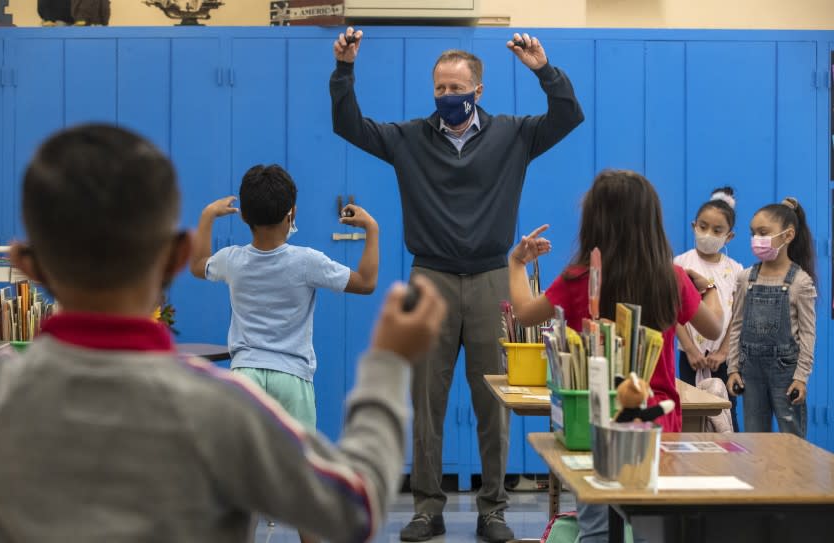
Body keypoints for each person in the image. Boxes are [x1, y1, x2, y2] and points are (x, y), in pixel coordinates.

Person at [0, 123, 448, 543]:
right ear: (172, 259)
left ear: (26, 265)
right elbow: (352, 508)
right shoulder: (219, 409)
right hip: (291, 377)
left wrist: (209, 217)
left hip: (248, 366)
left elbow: (203, 262)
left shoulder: (3, 389)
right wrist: (388, 363)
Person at [330, 28, 584, 543]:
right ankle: (428, 507)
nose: (447, 97)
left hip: (494, 276)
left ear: (479, 90)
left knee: (494, 399)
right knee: (426, 398)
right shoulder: (407, 139)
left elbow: (567, 115)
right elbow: (348, 125)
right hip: (431, 276)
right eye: (439, 89)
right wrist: (345, 69)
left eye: (456, 88)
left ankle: (493, 509)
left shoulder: (514, 133)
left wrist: (543, 68)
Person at [508, 169, 724, 542]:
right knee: (652, 526)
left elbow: (524, 313)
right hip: (657, 424)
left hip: (594, 421)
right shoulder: (669, 278)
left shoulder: (577, 278)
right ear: (651, 222)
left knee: (595, 527)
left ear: (594, 221)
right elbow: (714, 328)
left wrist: (516, 264)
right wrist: (706, 286)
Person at [190, 164, 378, 432]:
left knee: (245, 467)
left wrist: (208, 215)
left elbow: (198, 264)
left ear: (244, 217)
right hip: (292, 378)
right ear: (292, 213)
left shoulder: (231, 260)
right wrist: (372, 229)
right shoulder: (307, 262)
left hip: (245, 377)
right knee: (296, 468)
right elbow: (366, 282)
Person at [726, 197, 817, 438]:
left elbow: (808, 334)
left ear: (788, 236)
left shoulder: (801, 282)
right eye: (753, 233)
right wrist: (733, 368)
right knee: (756, 439)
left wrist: (801, 377)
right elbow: (736, 326)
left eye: (763, 232)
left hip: (786, 373)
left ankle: (794, 478)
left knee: (793, 438)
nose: (756, 239)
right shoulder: (746, 278)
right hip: (751, 372)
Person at [674, 187, 744, 431]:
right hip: (690, 358)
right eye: (702, 227)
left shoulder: (735, 270)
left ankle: (730, 462)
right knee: (691, 414)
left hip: (722, 359)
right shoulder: (681, 264)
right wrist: (691, 350)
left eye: (717, 230)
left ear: (730, 237)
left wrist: (723, 352)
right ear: (694, 225)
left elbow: (737, 317)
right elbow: (674, 314)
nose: (707, 234)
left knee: (725, 414)